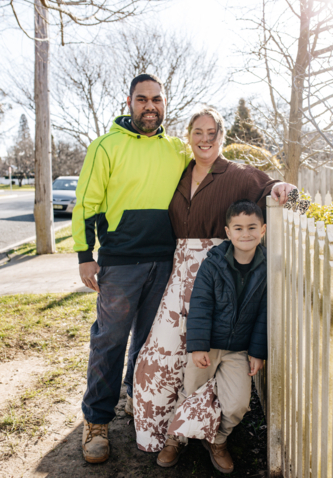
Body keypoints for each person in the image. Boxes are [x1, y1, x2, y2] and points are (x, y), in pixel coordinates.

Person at [133, 107, 295, 464]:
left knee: (210, 361)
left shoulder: (237, 173)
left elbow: (268, 188)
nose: (205, 139)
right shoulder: (179, 172)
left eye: (212, 132)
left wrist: (283, 188)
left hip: (218, 273)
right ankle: (172, 434)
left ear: (222, 136)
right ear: (188, 135)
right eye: (198, 132)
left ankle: (214, 438)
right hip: (180, 276)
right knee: (164, 359)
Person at [72, 73, 191, 464]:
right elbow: (85, 206)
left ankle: (133, 401)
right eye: (142, 99)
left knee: (147, 343)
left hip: (164, 260)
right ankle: (96, 421)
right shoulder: (105, 146)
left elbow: (216, 165)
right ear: (129, 101)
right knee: (109, 341)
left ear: (165, 103)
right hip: (120, 262)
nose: (150, 106)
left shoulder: (177, 149)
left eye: (157, 99)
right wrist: (84, 255)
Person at [178, 199, 267, 474]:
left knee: (238, 403)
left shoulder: (267, 268)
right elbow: (201, 305)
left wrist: (257, 351)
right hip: (208, 345)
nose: (245, 234)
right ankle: (176, 438)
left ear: (262, 230)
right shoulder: (213, 263)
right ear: (228, 232)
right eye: (238, 228)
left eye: (252, 227)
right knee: (190, 392)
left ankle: (217, 440)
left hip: (239, 350)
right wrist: (198, 346)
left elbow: (265, 313)